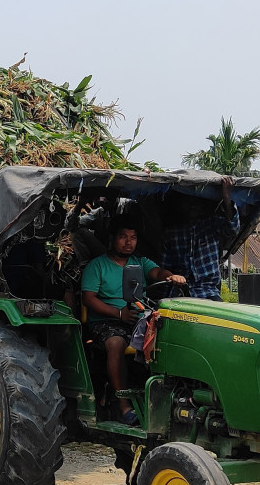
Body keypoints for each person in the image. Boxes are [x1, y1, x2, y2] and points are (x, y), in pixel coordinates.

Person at [81, 217, 185, 424]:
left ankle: (170, 402)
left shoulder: (140, 263)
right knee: (116, 343)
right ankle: (124, 406)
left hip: (137, 319)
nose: (129, 242)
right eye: (123, 237)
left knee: (170, 339)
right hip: (106, 322)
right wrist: (118, 314)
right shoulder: (97, 266)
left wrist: (171, 276)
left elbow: (158, 272)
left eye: (133, 237)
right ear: (112, 239)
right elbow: (88, 299)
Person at [161, 176, 239, 301]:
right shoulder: (171, 233)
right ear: (179, 205)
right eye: (187, 202)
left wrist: (227, 199)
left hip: (208, 292)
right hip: (179, 292)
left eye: (195, 202)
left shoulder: (212, 225)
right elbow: (165, 268)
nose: (192, 206)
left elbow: (232, 229)